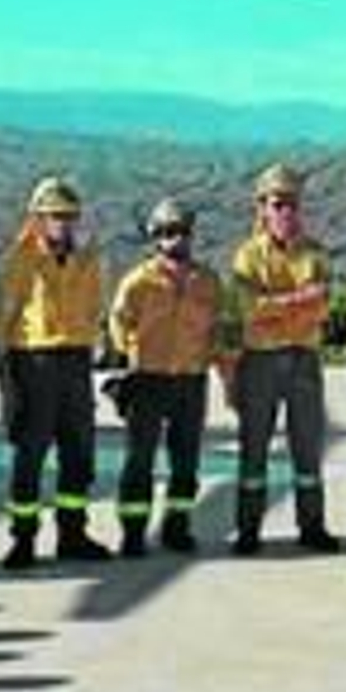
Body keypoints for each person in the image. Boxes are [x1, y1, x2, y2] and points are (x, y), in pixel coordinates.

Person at [0, 176, 113, 569]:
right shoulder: (20, 261)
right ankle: (23, 540)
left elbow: (96, 308)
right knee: (30, 455)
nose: (62, 224)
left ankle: (72, 534)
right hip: (34, 363)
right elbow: (2, 319)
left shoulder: (87, 260)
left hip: (75, 362)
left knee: (79, 453)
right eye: (54, 216)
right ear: (38, 219)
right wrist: (8, 379)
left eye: (68, 217)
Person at [228, 162, 337, 555]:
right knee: (254, 448)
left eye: (291, 203)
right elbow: (248, 309)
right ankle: (248, 530)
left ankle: (312, 526)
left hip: (303, 359)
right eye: (277, 204)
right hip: (259, 362)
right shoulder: (246, 256)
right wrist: (295, 302)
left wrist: (274, 305)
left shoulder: (316, 254)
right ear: (262, 208)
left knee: (307, 448)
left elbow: (322, 307)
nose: (285, 212)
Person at [107, 198, 225, 558]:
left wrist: (220, 364)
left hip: (191, 380)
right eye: (168, 233)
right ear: (155, 237)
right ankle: (132, 532)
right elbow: (117, 321)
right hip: (148, 379)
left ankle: (178, 527)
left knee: (186, 462)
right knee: (139, 461)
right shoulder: (138, 282)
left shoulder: (207, 281)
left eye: (183, 232)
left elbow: (219, 326)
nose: (177, 240)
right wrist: (129, 357)